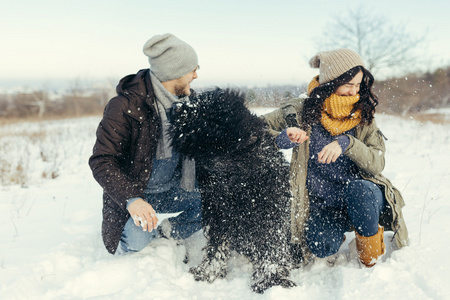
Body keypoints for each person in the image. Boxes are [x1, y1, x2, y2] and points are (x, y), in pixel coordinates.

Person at [262, 49, 409, 267]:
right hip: (327, 204)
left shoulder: (363, 113)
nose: (354, 92)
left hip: (363, 194)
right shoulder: (300, 111)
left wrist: (347, 144)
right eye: (348, 84)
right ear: (330, 82)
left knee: (359, 190)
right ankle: (337, 230)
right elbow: (254, 128)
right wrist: (283, 138)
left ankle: (371, 256)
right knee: (321, 246)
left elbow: (377, 162)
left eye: (358, 85)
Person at [89, 33, 202, 255]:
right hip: (136, 193)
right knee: (137, 243)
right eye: (193, 69)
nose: (196, 75)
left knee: (213, 200)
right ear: (174, 72)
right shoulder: (124, 106)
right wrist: (132, 200)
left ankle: (168, 232)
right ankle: (135, 232)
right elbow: (102, 160)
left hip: (173, 189)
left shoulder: (189, 103)